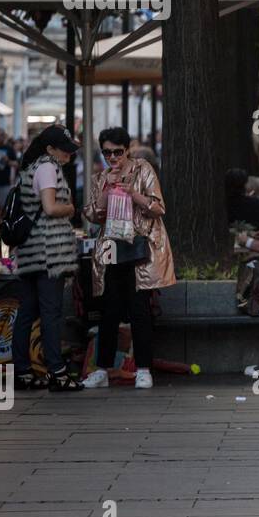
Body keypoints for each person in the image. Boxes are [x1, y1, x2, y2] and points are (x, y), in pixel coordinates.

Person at [82, 127, 176, 391]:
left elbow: (158, 207)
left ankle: (143, 370)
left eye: (118, 152)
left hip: (137, 246)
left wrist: (133, 195)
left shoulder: (143, 169)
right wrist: (106, 191)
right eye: (107, 152)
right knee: (109, 308)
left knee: (139, 308)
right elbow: (91, 213)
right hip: (110, 248)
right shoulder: (100, 178)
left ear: (127, 150)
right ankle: (102, 369)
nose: (113, 158)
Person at [12, 125, 83, 392]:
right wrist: (71, 208)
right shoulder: (48, 168)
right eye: (64, 150)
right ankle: (57, 372)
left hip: (31, 252)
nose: (68, 154)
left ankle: (23, 371)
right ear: (50, 149)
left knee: (27, 311)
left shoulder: (32, 167)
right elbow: (51, 207)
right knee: (51, 313)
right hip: (48, 253)